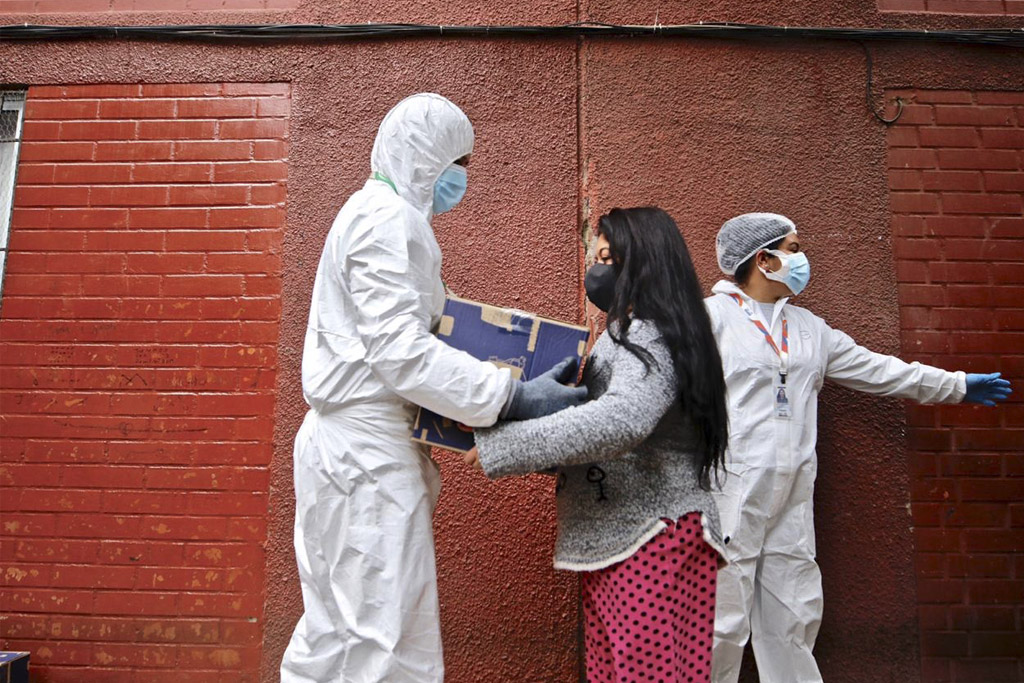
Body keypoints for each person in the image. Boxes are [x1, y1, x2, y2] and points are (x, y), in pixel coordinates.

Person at [280, 93, 586, 683]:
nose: (462, 179)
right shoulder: (387, 221)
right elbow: (399, 351)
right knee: (385, 642)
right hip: (365, 457)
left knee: (335, 637)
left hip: (349, 450)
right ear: (426, 157)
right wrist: (511, 394)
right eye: (458, 164)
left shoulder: (375, 215)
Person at [706, 212, 1012, 683]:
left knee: (793, 612)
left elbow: (882, 371)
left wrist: (955, 386)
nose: (801, 258)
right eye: (792, 248)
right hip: (730, 490)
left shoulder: (810, 330)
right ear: (763, 260)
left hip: (792, 490)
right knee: (720, 619)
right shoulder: (712, 320)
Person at [467, 207, 731, 683]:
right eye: (594, 256)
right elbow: (606, 442)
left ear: (643, 260)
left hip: (648, 537)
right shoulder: (630, 334)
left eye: (607, 257)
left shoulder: (644, 332)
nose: (595, 269)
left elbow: (622, 422)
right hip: (629, 537)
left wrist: (505, 444)